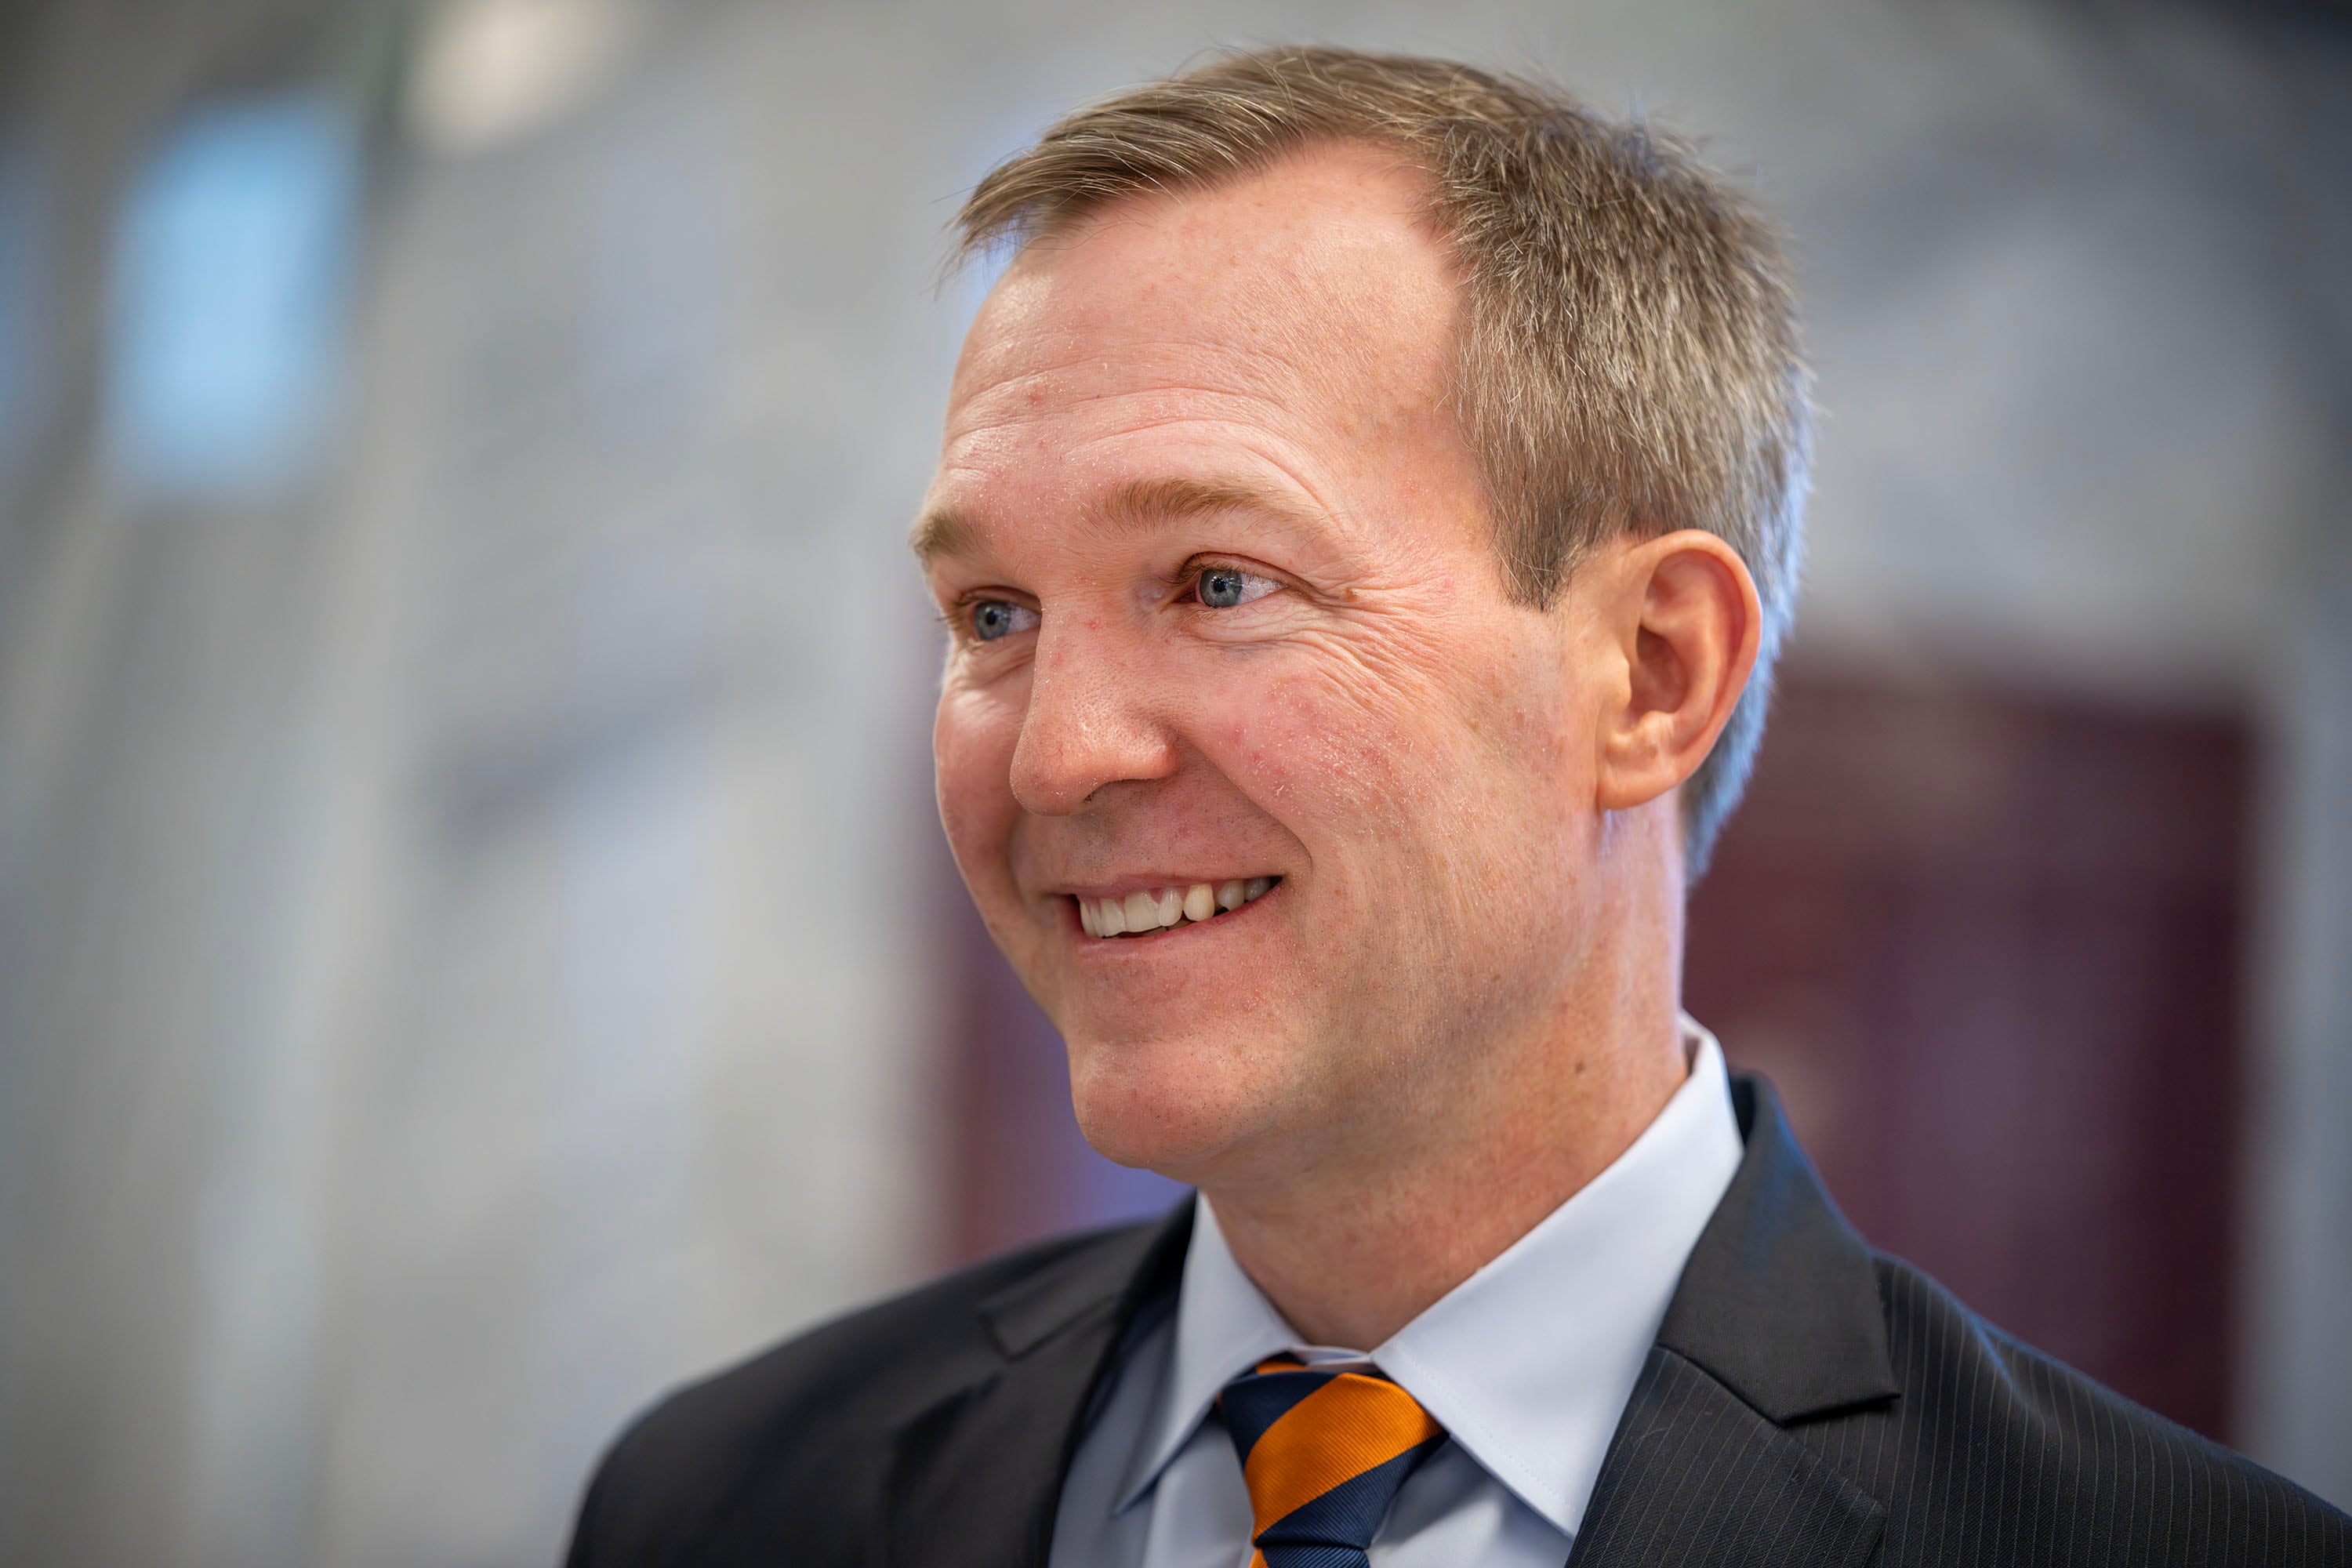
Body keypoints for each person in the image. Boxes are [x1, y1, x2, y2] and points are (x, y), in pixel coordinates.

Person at [564, 46, 2349, 1567]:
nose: (1059, 756)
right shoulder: (728, 1501)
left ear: (1649, 674)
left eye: (1216, 582)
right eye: (994, 617)